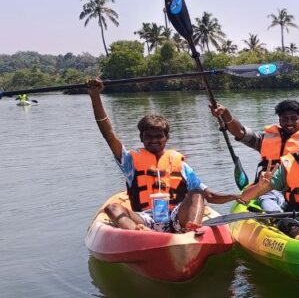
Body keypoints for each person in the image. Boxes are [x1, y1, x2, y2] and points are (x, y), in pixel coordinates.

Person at [87, 79, 238, 232]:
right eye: (149, 137)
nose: (154, 141)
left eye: (158, 136)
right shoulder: (130, 162)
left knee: (196, 194)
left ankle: (192, 230)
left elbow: (209, 195)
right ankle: (141, 234)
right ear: (141, 138)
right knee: (112, 208)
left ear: (167, 138)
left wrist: (233, 196)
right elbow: (109, 135)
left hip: (175, 216)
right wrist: (95, 97)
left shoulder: (182, 166)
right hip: (144, 219)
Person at [211, 99, 299, 214]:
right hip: (268, 187)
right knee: (267, 197)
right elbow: (240, 132)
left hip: (298, 189)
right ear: (279, 120)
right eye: (285, 119)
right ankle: (278, 216)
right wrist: (226, 114)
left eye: (294, 118)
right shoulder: (265, 139)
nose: (289, 122)